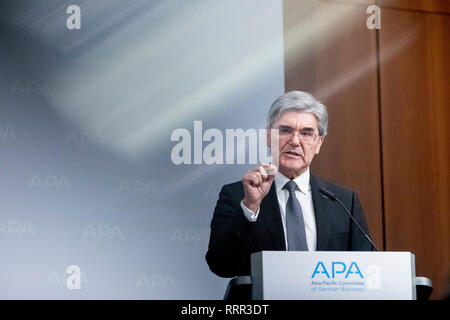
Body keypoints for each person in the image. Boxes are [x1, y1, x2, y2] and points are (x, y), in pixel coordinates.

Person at [205, 91, 373, 295]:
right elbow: (220, 265)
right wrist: (250, 206)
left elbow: (367, 269)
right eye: (285, 130)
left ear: (319, 143)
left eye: (306, 133)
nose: (295, 141)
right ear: (268, 137)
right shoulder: (237, 195)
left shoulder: (343, 201)